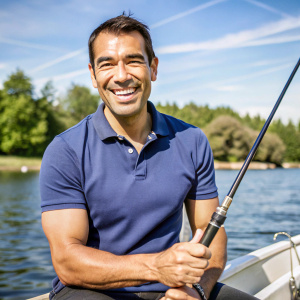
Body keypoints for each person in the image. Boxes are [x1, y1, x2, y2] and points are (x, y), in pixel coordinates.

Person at [40, 14, 258, 300]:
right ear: (93, 75)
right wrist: (156, 267)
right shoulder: (65, 149)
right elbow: (68, 262)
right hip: (89, 290)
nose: (121, 75)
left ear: (152, 68)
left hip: (173, 287)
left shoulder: (192, 140)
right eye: (107, 64)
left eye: (133, 60)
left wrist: (197, 289)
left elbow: (210, 232)